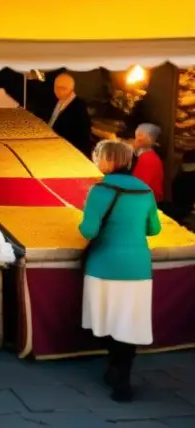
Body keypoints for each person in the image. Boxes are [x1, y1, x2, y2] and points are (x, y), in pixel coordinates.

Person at [80, 139, 161, 403]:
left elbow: (88, 230)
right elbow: (154, 229)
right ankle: (122, 379)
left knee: (106, 320)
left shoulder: (100, 190)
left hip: (105, 263)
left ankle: (114, 366)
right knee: (129, 321)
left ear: (106, 160)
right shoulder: (145, 190)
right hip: (137, 266)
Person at [48, 73, 92, 156]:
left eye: (63, 88)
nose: (58, 90)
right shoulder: (56, 101)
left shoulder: (79, 106)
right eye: (56, 86)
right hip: (55, 147)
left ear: (71, 89)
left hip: (71, 152)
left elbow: (81, 136)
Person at [132, 123, 165, 203]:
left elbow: (137, 186)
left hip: (149, 201)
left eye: (140, 139)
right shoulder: (146, 156)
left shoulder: (148, 159)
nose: (136, 141)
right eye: (136, 137)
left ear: (151, 140)